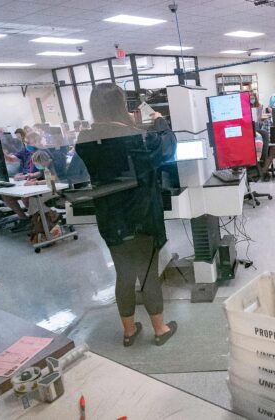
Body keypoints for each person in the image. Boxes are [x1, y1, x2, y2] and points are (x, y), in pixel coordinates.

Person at [77, 83, 177, 347]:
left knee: (123, 274)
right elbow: (167, 150)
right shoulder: (137, 137)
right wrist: (161, 123)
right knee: (147, 274)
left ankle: (129, 331)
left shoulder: (84, 140)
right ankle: (160, 329)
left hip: (111, 218)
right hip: (141, 216)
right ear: (121, 105)